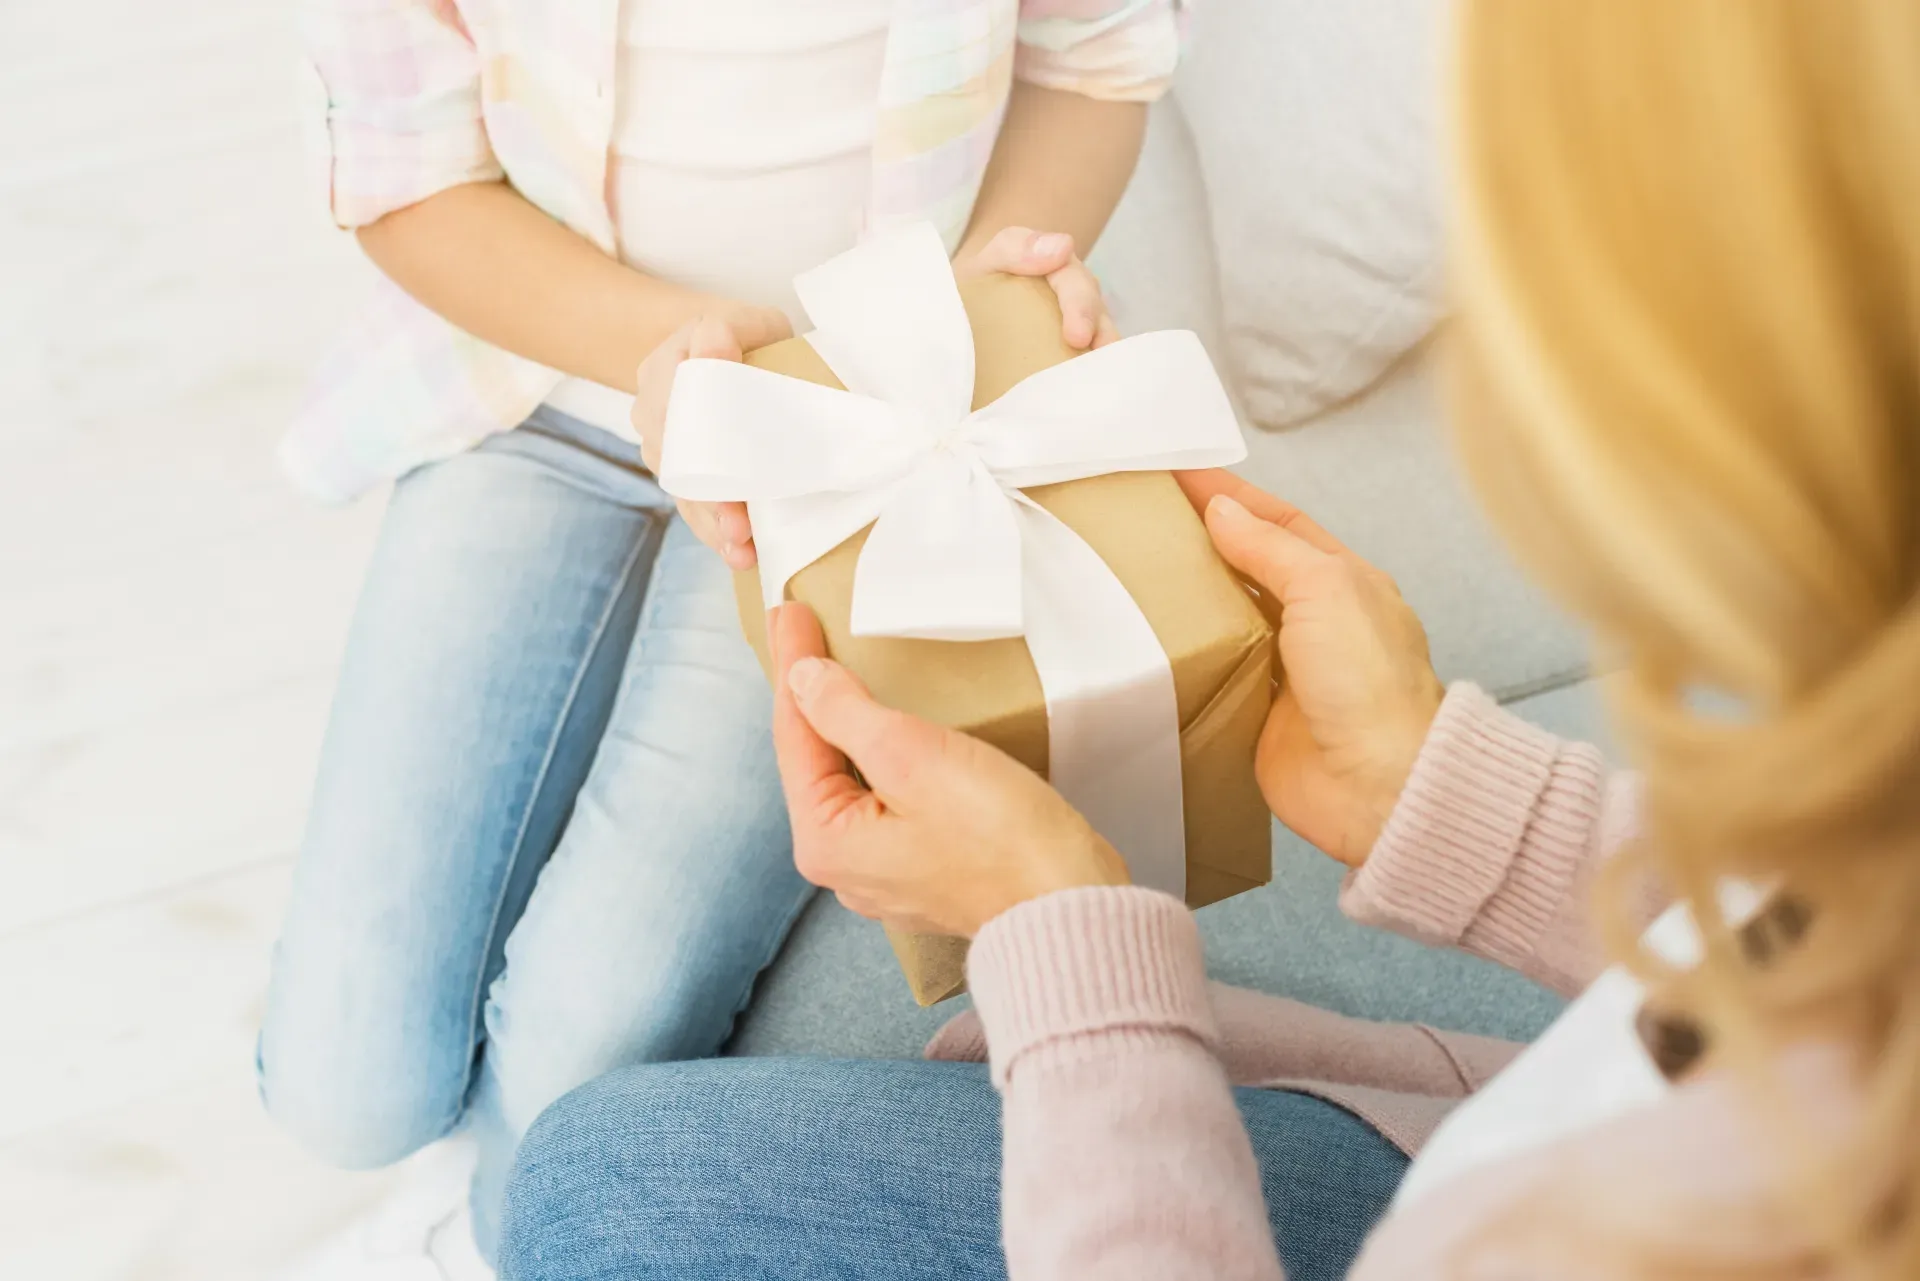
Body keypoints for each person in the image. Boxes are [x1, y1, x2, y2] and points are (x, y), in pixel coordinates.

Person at [499, 1, 1920, 1278]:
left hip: (1507, 1193)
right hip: (1586, 1111)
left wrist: (1065, 953)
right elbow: (1824, 963)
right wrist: (1439, 792)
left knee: (575, 1191)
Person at [257, 0, 1176, 1270]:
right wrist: (667, 352)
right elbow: (404, 175)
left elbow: (1097, 52)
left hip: (850, 435)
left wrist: (955, 318)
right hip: (529, 399)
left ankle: (486, 1236)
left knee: (585, 1044)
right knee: (343, 1089)